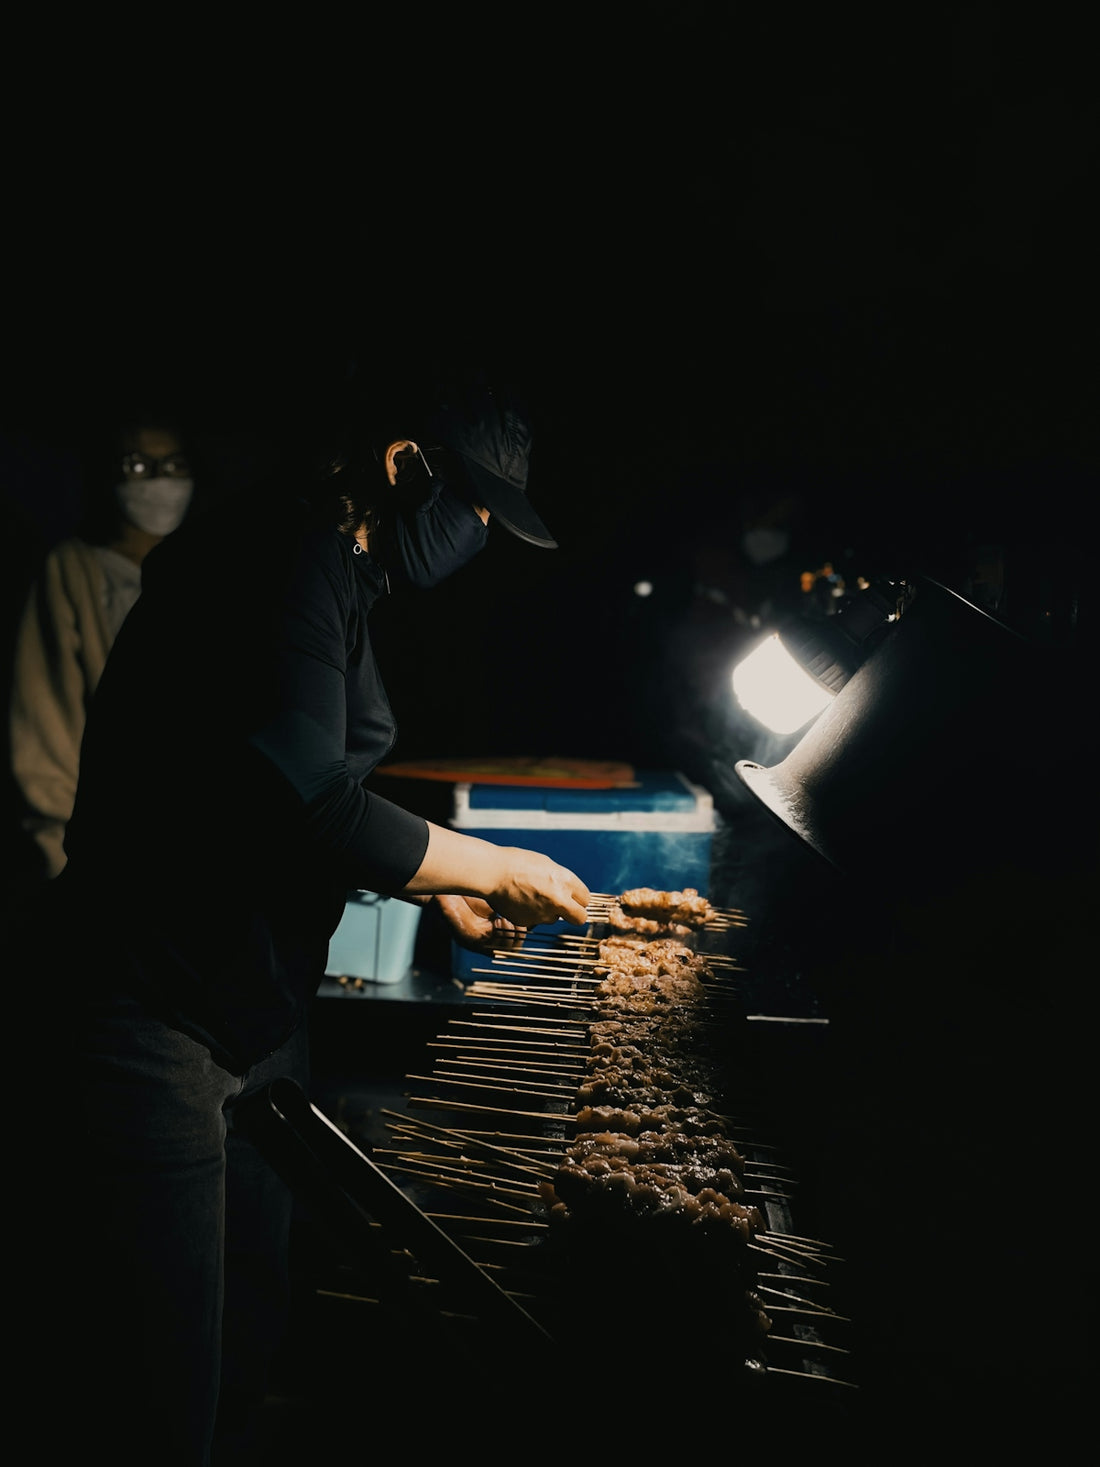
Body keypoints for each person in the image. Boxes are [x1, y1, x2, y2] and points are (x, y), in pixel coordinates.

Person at [23, 360, 590, 1466]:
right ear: (399, 463)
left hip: (246, 1013)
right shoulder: (278, 556)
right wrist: (484, 861)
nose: (475, 527)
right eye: (471, 501)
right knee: (154, 1398)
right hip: (150, 1008)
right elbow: (301, 793)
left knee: (244, 1344)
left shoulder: (341, 574)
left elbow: (265, 800)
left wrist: (441, 883)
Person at [8, 414, 196, 880]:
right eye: (138, 466)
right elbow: (46, 725)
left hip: (200, 843)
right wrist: (59, 860)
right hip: (113, 849)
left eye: (172, 466)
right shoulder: (76, 570)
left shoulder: (208, 572)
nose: (158, 482)